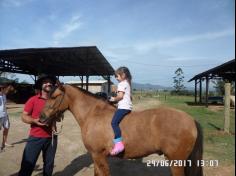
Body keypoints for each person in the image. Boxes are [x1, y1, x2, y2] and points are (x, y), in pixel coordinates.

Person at [18, 75, 58, 176]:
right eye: (45, 82)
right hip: (36, 137)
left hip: (52, 138)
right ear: (41, 85)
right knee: (27, 166)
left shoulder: (55, 101)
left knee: (49, 166)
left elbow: (57, 115)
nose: (48, 84)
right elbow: (24, 116)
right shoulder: (33, 99)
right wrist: (34, 121)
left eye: (50, 82)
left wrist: (55, 121)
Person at [109, 66, 132, 155]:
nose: (116, 78)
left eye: (117, 76)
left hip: (123, 107)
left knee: (114, 123)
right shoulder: (127, 83)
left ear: (123, 75)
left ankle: (119, 144)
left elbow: (120, 97)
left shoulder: (122, 84)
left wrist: (113, 99)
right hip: (127, 107)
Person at [0, 83, 14, 151]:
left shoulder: (4, 95)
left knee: (7, 127)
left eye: (3, 88)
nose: (2, 89)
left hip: (5, 115)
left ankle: (4, 142)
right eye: (1, 88)